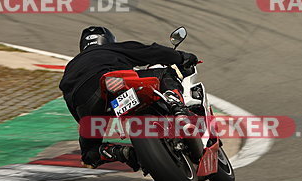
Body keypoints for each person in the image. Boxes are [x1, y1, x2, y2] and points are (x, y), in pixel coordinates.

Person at [59, 26, 198, 170]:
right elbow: (150, 52)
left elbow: (74, 106)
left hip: (87, 103)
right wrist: (183, 57)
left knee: (89, 154)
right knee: (164, 73)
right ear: (109, 41)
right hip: (113, 80)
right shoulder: (111, 49)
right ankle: (178, 107)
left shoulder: (70, 67)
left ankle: (122, 153)